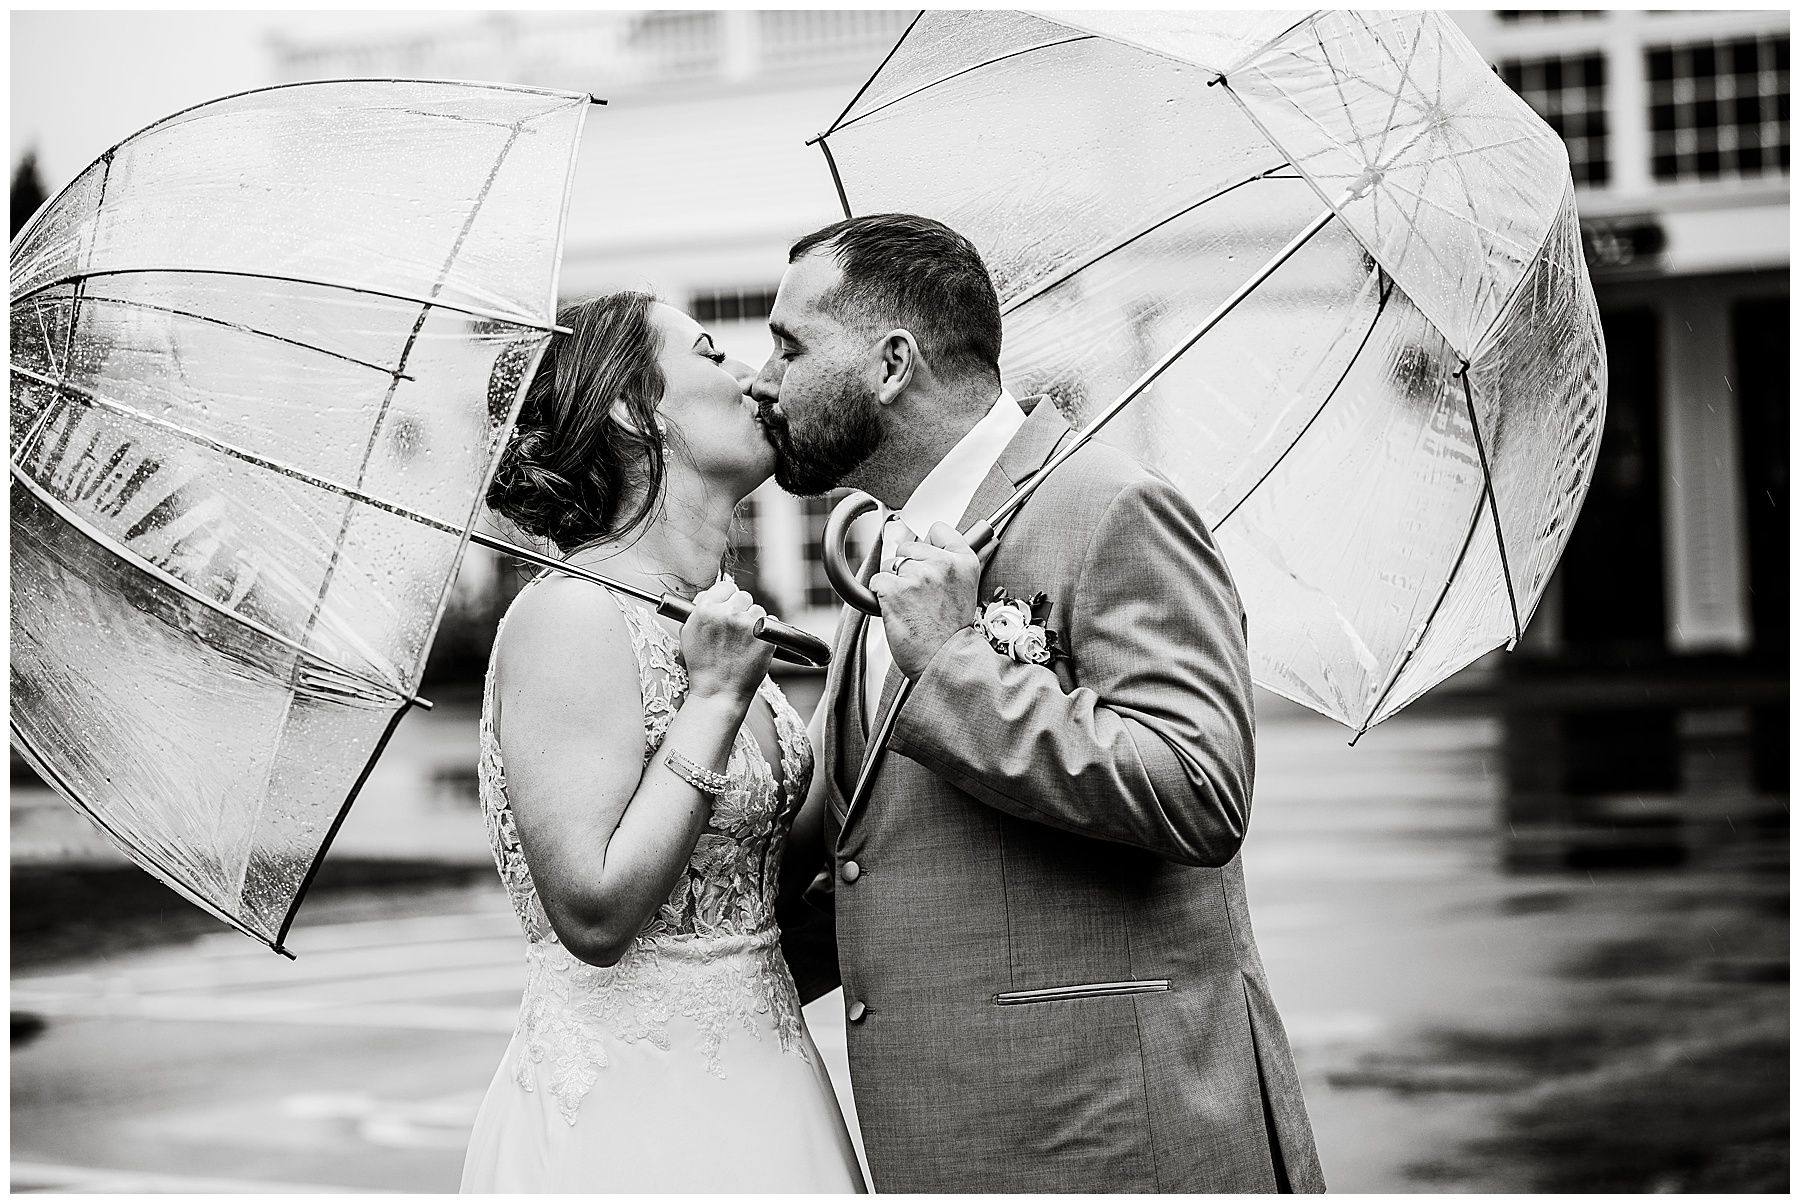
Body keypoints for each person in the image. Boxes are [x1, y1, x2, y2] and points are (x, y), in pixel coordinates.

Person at [754, 214, 1326, 1193]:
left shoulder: (1114, 509)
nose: (764, 378)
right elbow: (875, 862)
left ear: (892, 364)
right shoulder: (890, 553)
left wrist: (956, 665)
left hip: (1107, 1139)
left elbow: (1200, 788)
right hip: (951, 1134)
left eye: (790, 345)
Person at [459, 291, 865, 1193]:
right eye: (713, 353)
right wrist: (716, 698)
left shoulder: (707, 617)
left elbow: (752, 881)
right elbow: (594, 914)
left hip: (772, 1091)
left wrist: (870, 699)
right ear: (633, 410)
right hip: (631, 1123)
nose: (756, 377)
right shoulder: (570, 614)